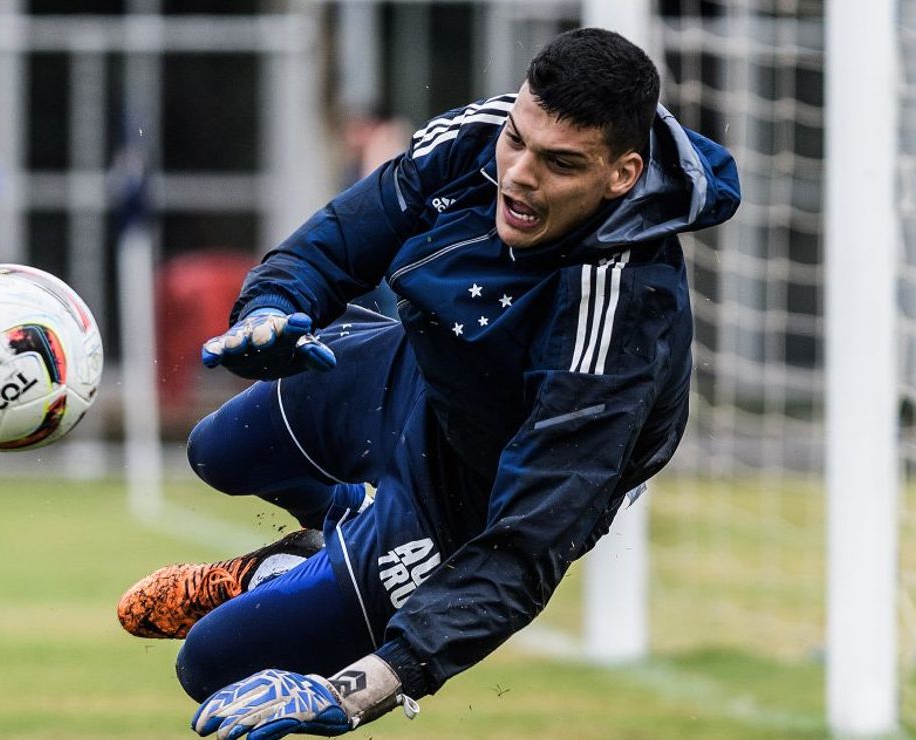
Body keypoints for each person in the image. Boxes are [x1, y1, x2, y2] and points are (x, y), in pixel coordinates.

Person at [118, 28, 740, 738]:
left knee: (212, 664)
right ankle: (331, 536)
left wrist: (354, 693)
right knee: (218, 450)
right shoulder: (479, 137)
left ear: (622, 174)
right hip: (407, 373)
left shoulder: (624, 317)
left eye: (560, 164)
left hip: (469, 492)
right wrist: (270, 310)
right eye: (519, 140)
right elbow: (342, 237)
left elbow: (525, 548)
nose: (519, 176)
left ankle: (292, 574)